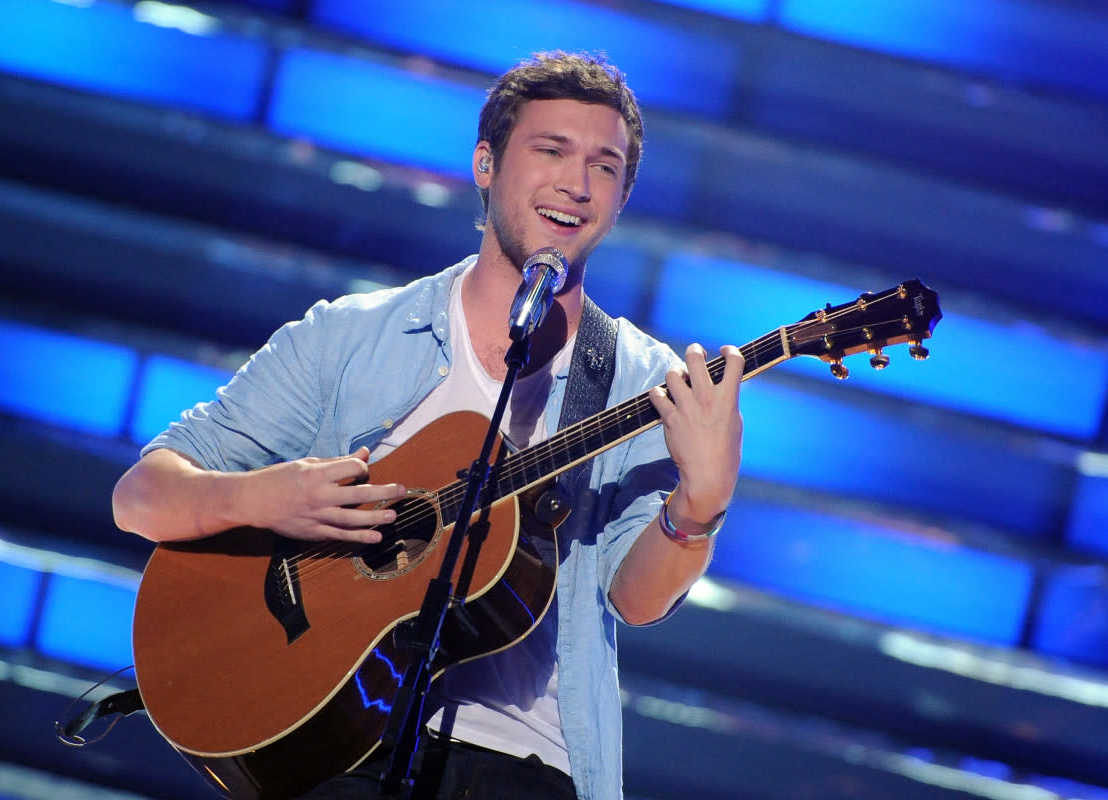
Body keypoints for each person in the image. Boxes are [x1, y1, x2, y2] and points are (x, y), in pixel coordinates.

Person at [112, 51, 744, 800]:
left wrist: (699, 505)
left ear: (620, 197)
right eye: (551, 151)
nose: (576, 184)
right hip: (336, 749)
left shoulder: (642, 379)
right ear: (485, 164)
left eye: (603, 167)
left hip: (522, 763)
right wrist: (268, 499)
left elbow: (635, 599)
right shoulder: (349, 336)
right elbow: (142, 495)